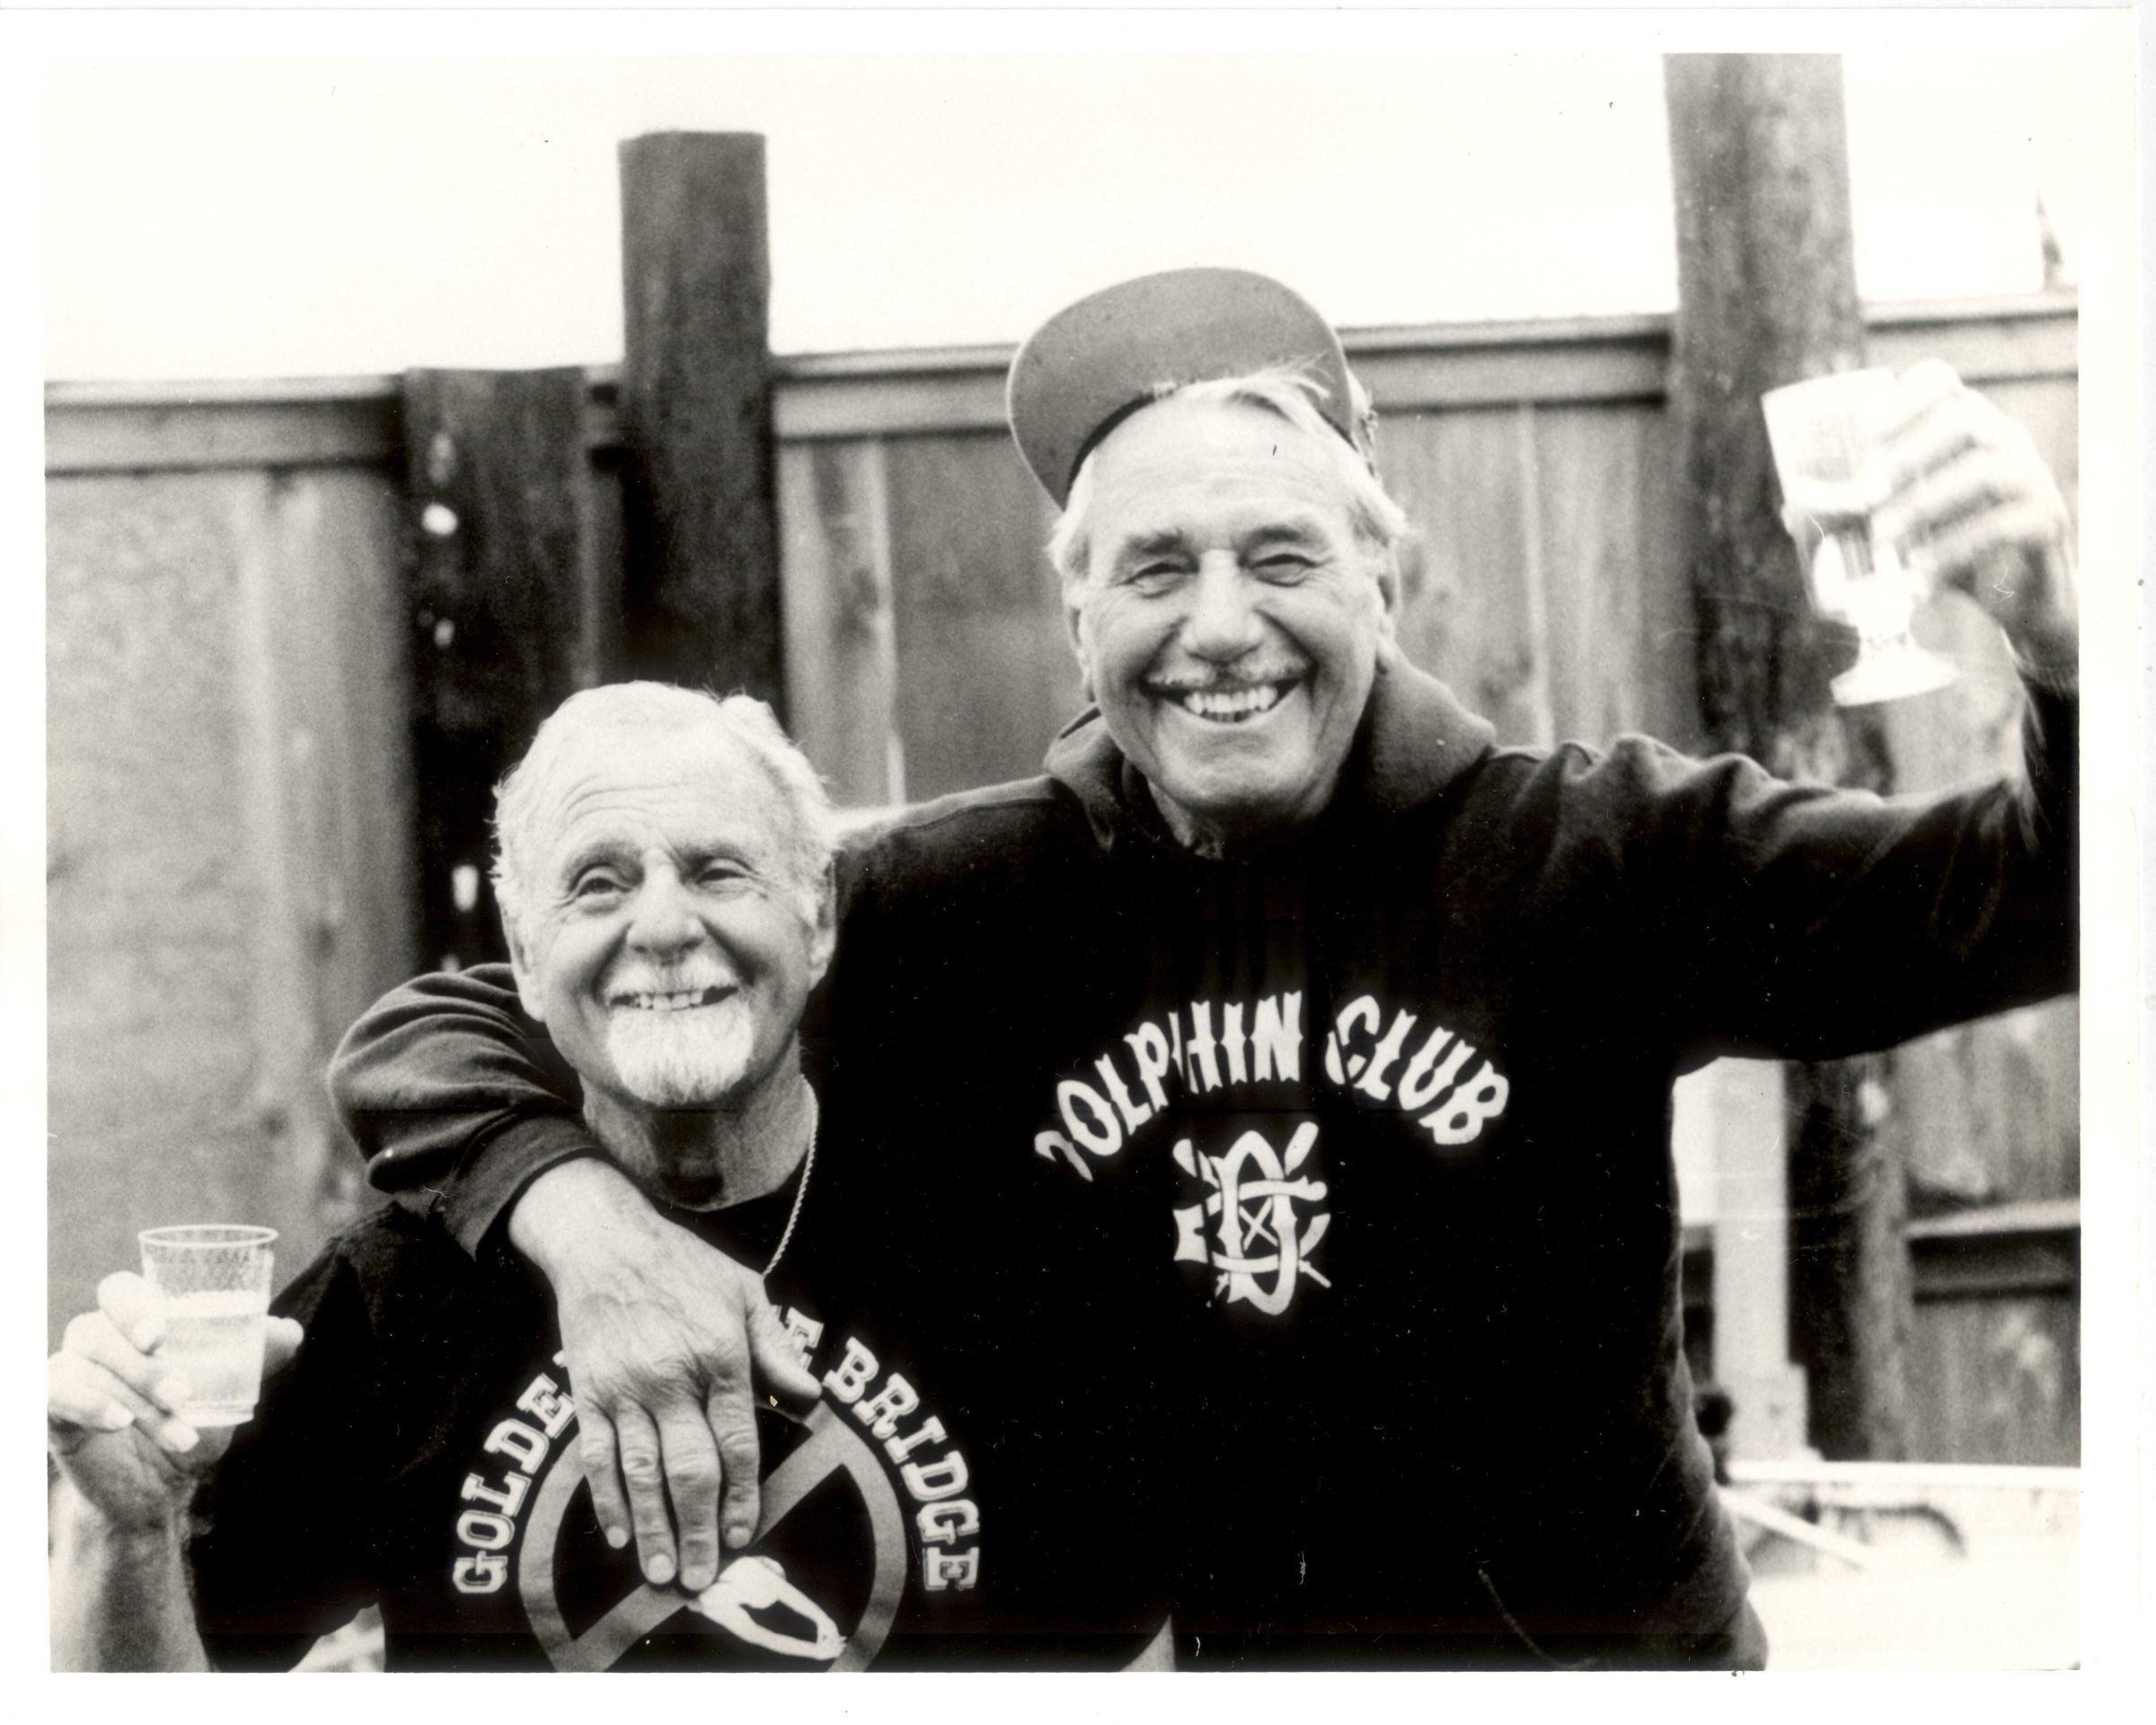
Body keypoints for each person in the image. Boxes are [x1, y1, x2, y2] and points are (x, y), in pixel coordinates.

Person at [329, 270, 2078, 1668]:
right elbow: (470, 1021)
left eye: (1281, 557)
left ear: (1384, 577)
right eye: (1156, 569)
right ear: (1078, 615)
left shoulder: (1598, 857)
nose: (1221, 626)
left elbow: (2035, 899)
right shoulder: (966, 901)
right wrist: (589, 1227)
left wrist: (2067, 640)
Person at [48, 686, 1170, 1671]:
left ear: (820, 916)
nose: (664, 926)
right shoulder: (401, 1295)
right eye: (597, 884)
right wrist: (123, 1531)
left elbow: (1129, 1672)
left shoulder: (1004, 1259)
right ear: (525, 956)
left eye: (719, 870)